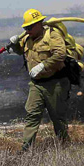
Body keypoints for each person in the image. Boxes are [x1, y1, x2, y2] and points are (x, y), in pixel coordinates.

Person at [5, 8, 70, 151]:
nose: (27, 30)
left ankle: (65, 146)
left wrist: (43, 65)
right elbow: (19, 51)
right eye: (25, 27)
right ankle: (26, 149)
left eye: (30, 27)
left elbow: (60, 54)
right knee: (32, 115)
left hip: (54, 83)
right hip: (36, 85)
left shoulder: (52, 35)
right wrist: (15, 43)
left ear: (39, 24)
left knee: (57, 118)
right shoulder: (27, 38)